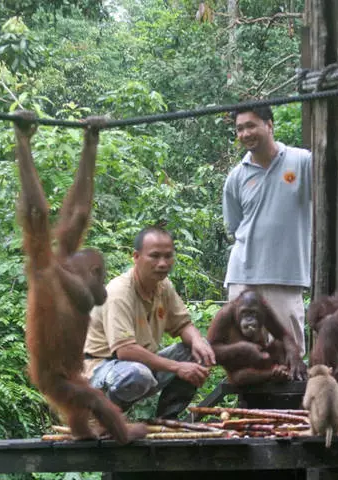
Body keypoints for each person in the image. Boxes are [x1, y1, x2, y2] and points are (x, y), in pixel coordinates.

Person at [83, 226, 215, 419]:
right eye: (154, 256)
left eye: (168, 256)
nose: (162, 263)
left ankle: (168, 420)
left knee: (195, 351)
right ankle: (103, 417)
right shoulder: (119, 292)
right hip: (100, 369)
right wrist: (177, 367)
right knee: (138, 374)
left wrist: (198, 342)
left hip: (137, 366)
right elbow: (125, 351)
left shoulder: (163, 286)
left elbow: (183, 324)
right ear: (136, 257)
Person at [223, 105, 312, 355]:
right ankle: (248, 396)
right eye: (239, 129)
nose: (245, 133)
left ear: (269, 125)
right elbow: (235, 226)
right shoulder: (236, 177)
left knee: (289, 350)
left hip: (285, 274)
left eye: (251, 125)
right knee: (244, 350)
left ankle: (293, 396)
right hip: (243, 274)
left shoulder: (302, 162)